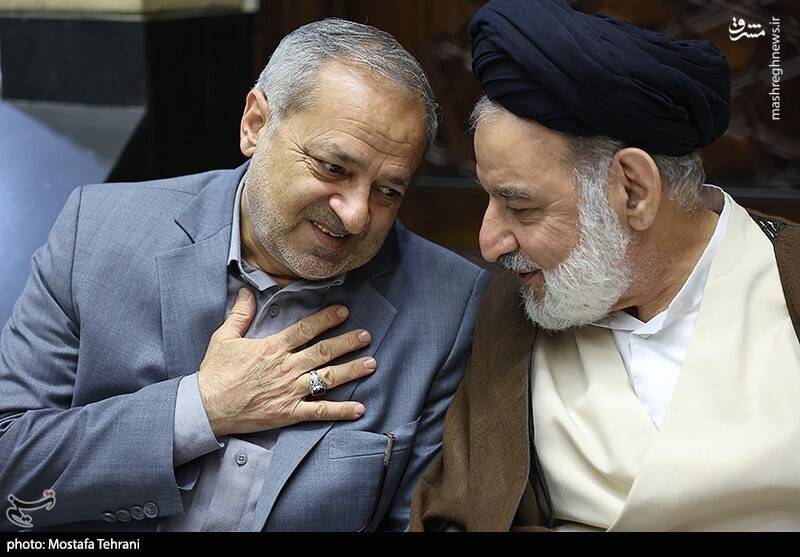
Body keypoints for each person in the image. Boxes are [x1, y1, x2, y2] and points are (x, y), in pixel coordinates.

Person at [0, 18, 490, 532]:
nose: (355, 215)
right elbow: (11, 463)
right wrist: (201, 409)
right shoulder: (99, 234)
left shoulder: (447, 307)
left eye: (388, 191)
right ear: (255, 124)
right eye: (333, 168)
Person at [411, 0, 800, 532]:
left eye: (520, 206)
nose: (489, 243)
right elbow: (454, 515)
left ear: (633, 191)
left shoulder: (787, 276)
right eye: (488, 198)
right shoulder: (513, 309)